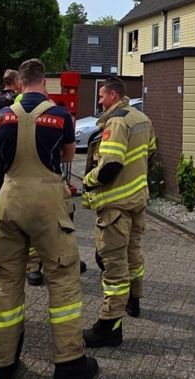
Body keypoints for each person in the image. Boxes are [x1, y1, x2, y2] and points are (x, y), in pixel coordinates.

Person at [0, 59, 97, 379]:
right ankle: (69, 362)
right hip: (47, 200)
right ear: (44, 83)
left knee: (8, 283)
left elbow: (1, 154)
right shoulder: (60, 115)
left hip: (8, 199)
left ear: (20, 84)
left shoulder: (0, 116)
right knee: (63, 279)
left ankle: (4, 363)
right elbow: (66, 155)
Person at [80, 77, 155, 347]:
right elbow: (151, 153)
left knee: (113, 264)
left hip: (115, 206)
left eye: (102, 96)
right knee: (133, 252)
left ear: (113, 95)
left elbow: (110, 166)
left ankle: (109, 325)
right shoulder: (142, 118)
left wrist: (87, 180)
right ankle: (134, 301)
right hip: (137, 200)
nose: (99, 101)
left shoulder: (116, 122)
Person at [0, 69, 45, 285]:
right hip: (23, 164)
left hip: (6, 163)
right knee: (31, 218)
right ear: (17, 82)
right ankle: (33, 264)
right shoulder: (11, 99)